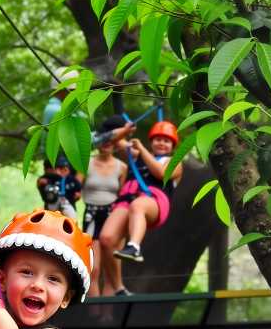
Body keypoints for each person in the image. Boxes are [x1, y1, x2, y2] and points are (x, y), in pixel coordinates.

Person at [100, 117, 183, 263]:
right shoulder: (138, 155)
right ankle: (113, 285)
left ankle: (134, 247)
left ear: (172, 145)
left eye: (166, 140)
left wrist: (142, 149)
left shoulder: (174, 162)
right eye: (158, 139)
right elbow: (115, 141)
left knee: (138, 205)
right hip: (128, 200)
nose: (162, 143)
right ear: (151, 141)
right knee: (107, 239)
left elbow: (162, 173)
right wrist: (125, 129)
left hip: (155, 202)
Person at [82, 118, 129, 296]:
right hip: (91, 215)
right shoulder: (86, 163)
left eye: (111, 141)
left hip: (112, 215)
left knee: (112, 270)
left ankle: (108, 316)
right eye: (103, 140)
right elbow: (75, 188)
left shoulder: (122, 167)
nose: (106, 144)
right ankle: (95, 313)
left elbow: (123, 195)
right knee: (94, 268)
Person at [36, 155, 82, 220]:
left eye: (64, 169)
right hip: (53, 203)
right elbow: (43, 181)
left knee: (70, 217)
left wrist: (78, 193)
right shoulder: (53, 177)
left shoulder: (72, 179)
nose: (62, 171)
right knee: (50, 217)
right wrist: (42, 181)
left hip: (68, 203)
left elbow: (78, 188)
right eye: (59, 169)